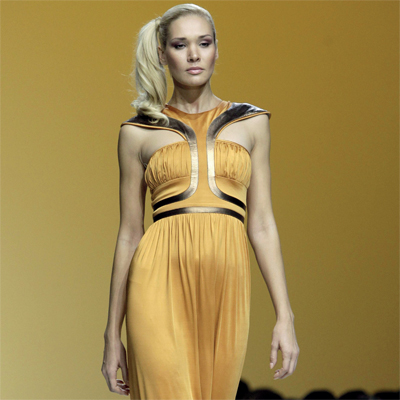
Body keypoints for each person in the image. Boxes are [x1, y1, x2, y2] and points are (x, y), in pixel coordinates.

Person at [101, 3, 299, 399]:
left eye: (203, 43)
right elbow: (129, 234)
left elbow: (261, 225)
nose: (194, 54)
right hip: (156, 279)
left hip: (227, 281)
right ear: (162, 54)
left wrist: (285, 316)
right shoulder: (138, 132)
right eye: (180, 45)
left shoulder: (251, 123)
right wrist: (111, 334)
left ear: (216, 49)